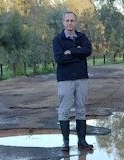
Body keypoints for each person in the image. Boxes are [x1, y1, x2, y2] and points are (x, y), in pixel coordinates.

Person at [52, 11, 93, 151]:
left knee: (81, 109)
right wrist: (78, 52)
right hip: (65, 79)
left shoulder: (82, 37)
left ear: (75, 22)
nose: (70, 23)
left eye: (72, 20)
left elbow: (88, 51)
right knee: (64, 110)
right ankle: (66, 143)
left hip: (81, 78)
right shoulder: (57, 39)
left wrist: (70, 51)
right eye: (67, 20)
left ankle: (82, 141)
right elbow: (59, 59)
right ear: (63, 22)